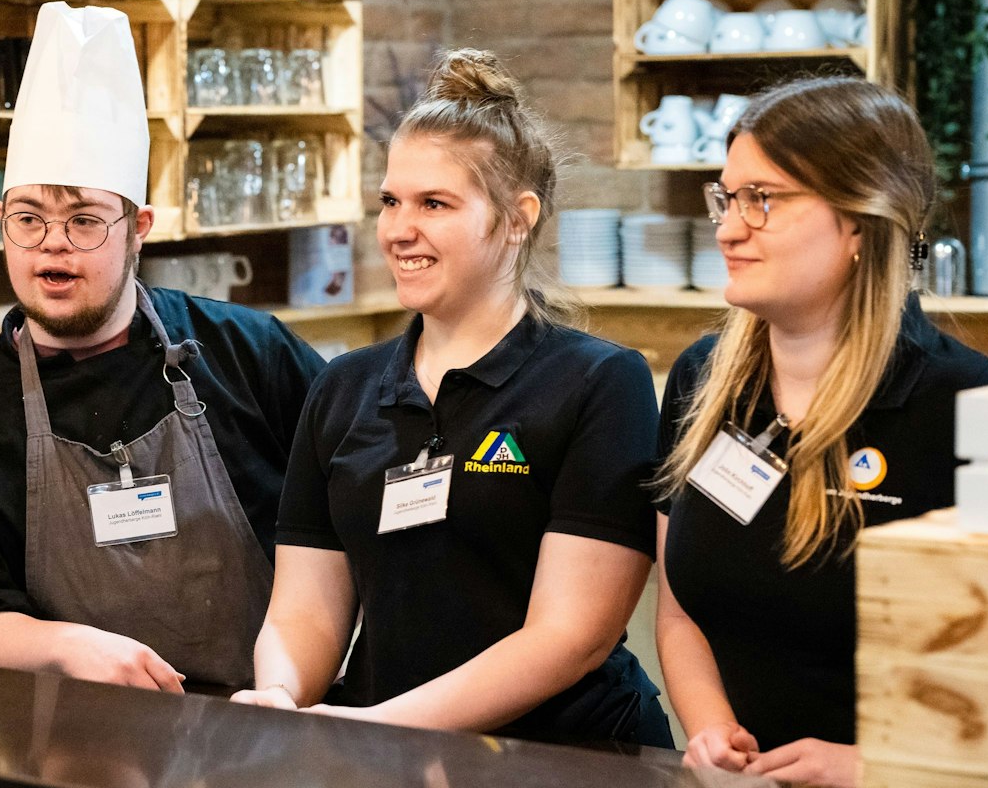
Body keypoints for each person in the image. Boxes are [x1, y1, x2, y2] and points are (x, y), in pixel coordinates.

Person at [233, 49, 671, 746]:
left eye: (434, 204)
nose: (399, 229)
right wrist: (280, 693)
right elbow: (305, 613)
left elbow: (569, 637)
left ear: (518, 217)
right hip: (385, 758)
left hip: (565, 766)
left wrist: (378, 729)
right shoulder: (342, 388)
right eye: (391, 202)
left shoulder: (598, 383)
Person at [0, 3, 323, 692]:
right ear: (0, 220)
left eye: (85, 220)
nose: (53, 244)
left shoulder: (250, 355)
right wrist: (64, 645)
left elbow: (342, 515)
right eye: (30, 219)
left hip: (266, 734)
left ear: (138, 227)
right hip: (74, 759)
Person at [652, 76, 988, 788]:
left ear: (861, 220)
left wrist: (876, 767)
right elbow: (678, 607)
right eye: (727, 198)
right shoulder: (703, 381)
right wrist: (711, 732)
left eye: (764, 198)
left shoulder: (982, 409)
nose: (729, 227)